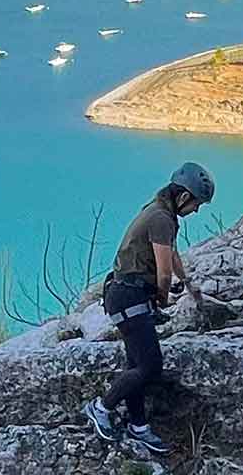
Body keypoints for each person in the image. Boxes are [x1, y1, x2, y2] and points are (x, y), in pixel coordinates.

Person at [83, 162, 212, 458]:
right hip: (127, 295)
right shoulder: (162, 219)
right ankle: (101, 408)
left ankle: (138, 426)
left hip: (127, 292)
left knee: (136, 365)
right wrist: (163, 297)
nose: (196, 211)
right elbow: (163, 272)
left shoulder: (158, 211)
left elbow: (172, 254)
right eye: (196, 204)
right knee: (150, 367)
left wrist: (189, 283)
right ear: (183, 197)